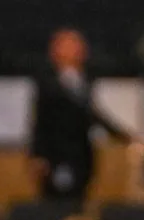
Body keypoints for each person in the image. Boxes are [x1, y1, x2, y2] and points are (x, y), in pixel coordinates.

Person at [31, 29, 133, 204]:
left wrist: (123, 136)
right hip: (56, 156)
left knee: (79, 199)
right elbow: (40, 121)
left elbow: (92, 115)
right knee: (57, 200)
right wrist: (38, 154)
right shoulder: (47, 83)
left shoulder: (85, 81)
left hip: (82, 156)